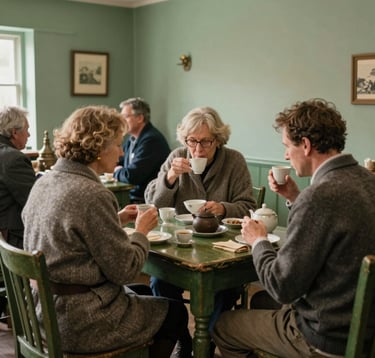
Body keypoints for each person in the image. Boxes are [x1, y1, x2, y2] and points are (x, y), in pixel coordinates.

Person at [212, 98, 375, 358]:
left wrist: (258, 241)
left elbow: (281, 285)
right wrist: (295, 197)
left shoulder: (319, 196)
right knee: (260, 303)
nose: (286, 155)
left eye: (288, 146)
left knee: (224, 326)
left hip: (325, 338)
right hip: (363, 325)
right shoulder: (366, 180)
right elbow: (332, 225)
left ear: (306, 146)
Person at [22, 106, 188, 357]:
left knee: (143, 292)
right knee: (175, 312)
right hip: (79, 322)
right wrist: (141, 231)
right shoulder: (93, 194)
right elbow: (125, 270)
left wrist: (117, 219)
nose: (122, 153)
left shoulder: (44, 181)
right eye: (119, 145)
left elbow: (69, 232)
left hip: (40, 313)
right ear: (99, 149)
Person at [145, 106, 257, 357]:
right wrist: (171, 177)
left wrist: (223, 208)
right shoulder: (176, 157)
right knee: (159, 281)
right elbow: (155, 205)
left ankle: (206, 346)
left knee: (225, 289)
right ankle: (184, 340)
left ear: (218, 139)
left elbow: (248, 206)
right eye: (192, 141)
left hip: (223, 249)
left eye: (205, 142)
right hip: (181, 246)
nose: (197, 149)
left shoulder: (234, 161)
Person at [114, 97, 171, 204]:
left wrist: (117, 171)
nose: (121, 121)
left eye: (125, 117)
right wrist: (118, 168)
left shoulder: (151, 140)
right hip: (132, 196)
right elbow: (117, 161)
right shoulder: (132, 139)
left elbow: (132, 176)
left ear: (140, 118)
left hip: (147, 200)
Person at [0, 106, 36, 249]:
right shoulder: (13, 158)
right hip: (12, 239)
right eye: (27, 130)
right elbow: (34, 202)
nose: (29, 135)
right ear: (15, 132)